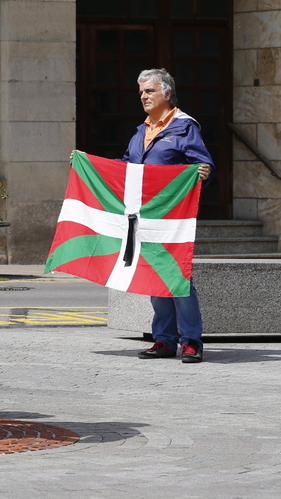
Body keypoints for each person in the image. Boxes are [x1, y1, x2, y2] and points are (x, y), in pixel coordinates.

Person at [123, 68, 213, 363]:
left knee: (178, 279)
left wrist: (204, 172)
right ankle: (164, 340)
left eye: (149, 91)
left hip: (173, 218)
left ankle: (191, 341)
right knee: (155, 277)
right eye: (140, 93)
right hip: (145, 215)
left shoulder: (185, 128)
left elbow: (202, 165)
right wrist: (91, 166)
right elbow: (127, 167)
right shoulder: (141, 131)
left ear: (167, 93)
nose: (143, 97)